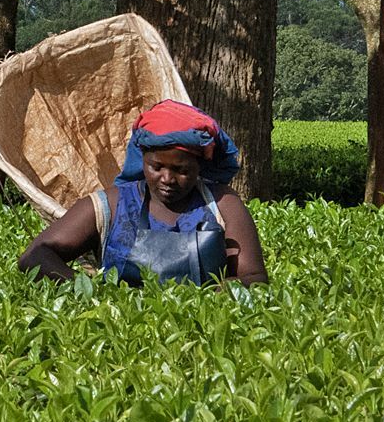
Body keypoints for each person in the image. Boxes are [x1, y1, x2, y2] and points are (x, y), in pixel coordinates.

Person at [17, 100, 268, 286]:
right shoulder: (111, 205)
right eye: (156, 167)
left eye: (181, 170)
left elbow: (254, 278)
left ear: (200, 165)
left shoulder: (222, 204)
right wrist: (91, 291)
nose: (167, 179)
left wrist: (209, 297)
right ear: (142, 160)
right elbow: (35, 255)